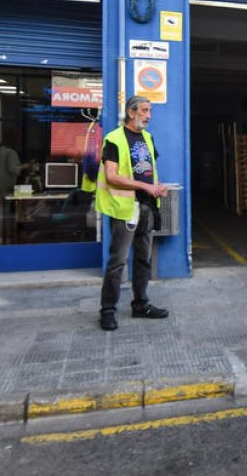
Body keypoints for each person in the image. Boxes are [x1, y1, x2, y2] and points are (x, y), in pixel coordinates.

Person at [95, 95, 171, 331]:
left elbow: (148, 171)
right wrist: (146, 187)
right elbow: (112, 176)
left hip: (147, 207)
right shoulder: (114, 139)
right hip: (125, 208)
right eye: (144, 111)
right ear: (131, 112)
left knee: (143, 259)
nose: (148, 116)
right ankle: (107, 311)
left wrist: (156, 187)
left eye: (150, 111)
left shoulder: (147, 137)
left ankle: (141, 304)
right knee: (118, 262)